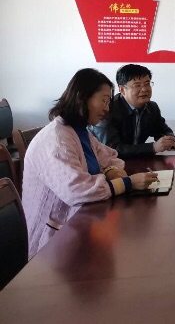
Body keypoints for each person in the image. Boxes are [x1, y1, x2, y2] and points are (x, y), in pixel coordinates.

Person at [21, 68, 159, 258]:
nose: (107, 109)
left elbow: (111, 156)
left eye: (109, 102)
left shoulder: (79, 131)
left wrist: (110, 170)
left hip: (81, 225)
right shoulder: (57, 139)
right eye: (104, 101)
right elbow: (78, 191)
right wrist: (128, 183)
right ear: (82, 97)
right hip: (51, 244)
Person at [91, 64, 175, 158]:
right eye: (137, 85)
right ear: (122, 90)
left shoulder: (152, 107)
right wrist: (152, 147)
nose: (144, 89)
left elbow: (162, 130)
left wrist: (170, 139)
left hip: (135, 161)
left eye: (147, 84)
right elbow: (112, 149)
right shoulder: (107, 111)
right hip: (103, 163)